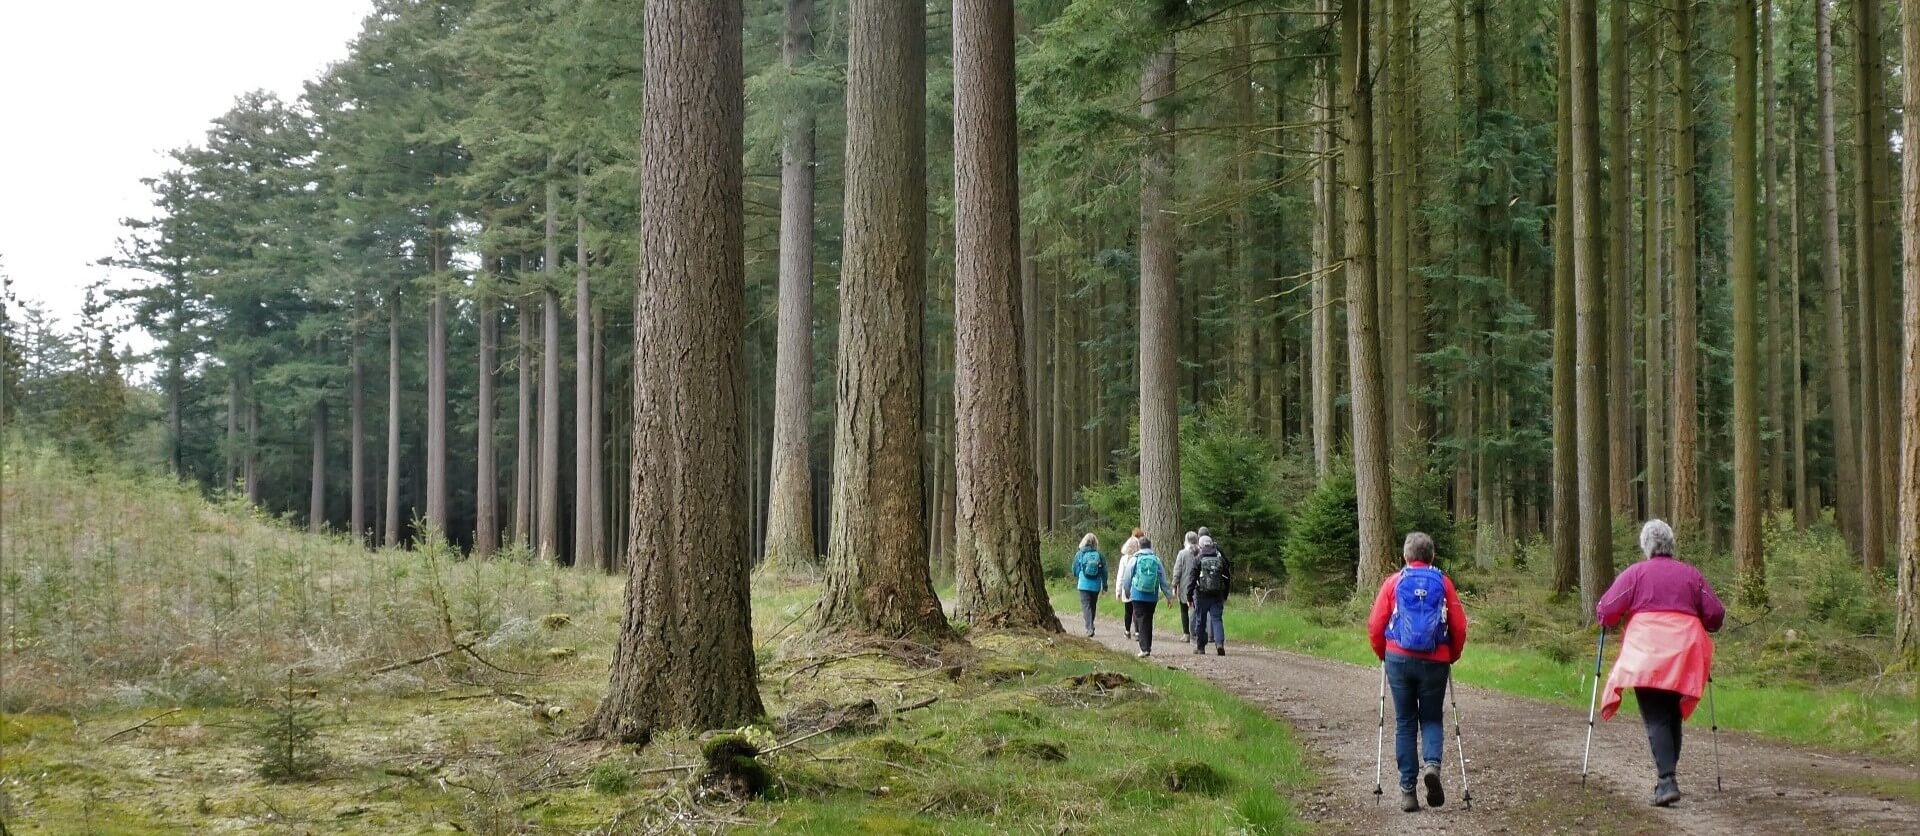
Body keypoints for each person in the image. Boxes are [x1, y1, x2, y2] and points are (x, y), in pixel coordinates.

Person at [1596, 519, 1725, 808]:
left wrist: (1607, 619)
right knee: (1671, 714)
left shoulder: (1636, 574)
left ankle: (1667, 781)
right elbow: (1715, 614)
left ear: (1646, 546)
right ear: (1671, 545)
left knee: (1656, 716)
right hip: (1683, 654)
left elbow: (1606, 609)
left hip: (1647, 652)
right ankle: (1667, 778)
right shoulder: (1691, 575)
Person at [1367, 532, 1468, 813]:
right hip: (1436, 660)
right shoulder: (1443, 583)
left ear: (1405, 557)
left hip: (1398, 658)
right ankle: (1432, 765)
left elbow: (1376, 626)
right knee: (1432, 717)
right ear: (1432, 556)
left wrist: (1383, 653)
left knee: (1406, 722)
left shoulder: (1393, 582)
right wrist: (1452, 655)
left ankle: (1408, 791)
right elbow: (1459, 626)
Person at [1118, 536, 1175, 657]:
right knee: (1148, 619)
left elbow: (1127, 577)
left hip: (1138, 595)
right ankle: (1147, 646)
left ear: (1139, 546)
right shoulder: (1156, 560)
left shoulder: (1135, 559)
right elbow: (1163, 580)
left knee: (1141, 619)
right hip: (1152, 595)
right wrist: (1169, 596)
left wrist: (1127, 591)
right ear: (1150, 546)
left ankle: (1144, 648)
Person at [1190, 535, 1231, 655]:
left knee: (1200, 621)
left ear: (1200, 546)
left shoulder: (1198, 559)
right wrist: (1225, 594)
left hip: (1201, 594)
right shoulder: (1220, 559)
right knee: (1217, 619)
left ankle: (1200, 647)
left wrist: (1189, 595)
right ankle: (1219, 644)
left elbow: (1192, 579)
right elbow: (1227, 578)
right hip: (1217, 595)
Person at [1070, 534, 1107, 637]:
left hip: (1083, 584)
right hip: (1095, 585)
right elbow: (1104, 571)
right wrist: (1104, 585)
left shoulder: (1079, 554)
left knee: (1086, 606)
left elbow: (1074, 569)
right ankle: (1091, 625)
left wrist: (1079, 575)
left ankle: (1089, 628)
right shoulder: (1099, 555)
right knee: (1092, 605)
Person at [1116, 527, 1144, 639]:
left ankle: (1127, 631)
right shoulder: (1141, 557)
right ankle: (1137, 632)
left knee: (1128, 611)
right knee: (1137, 610)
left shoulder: (1124, 559)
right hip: (1138, 587)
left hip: (1127, 588)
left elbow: (1120, 576)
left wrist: (1118, 590)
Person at [1172, 531, 1200, 639]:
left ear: (1186, 541)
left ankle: (1187, 634)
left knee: (1184, 609)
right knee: (1196, 609)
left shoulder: (1182, 554)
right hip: (1198, 586)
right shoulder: (1200, 552)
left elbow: (1177, 570)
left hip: (1185, 586)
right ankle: (1196, 633)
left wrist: (1174, 584)